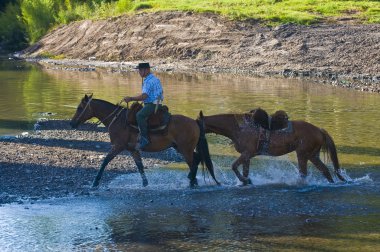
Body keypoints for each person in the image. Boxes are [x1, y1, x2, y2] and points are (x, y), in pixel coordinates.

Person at [123, 62, 164, 150]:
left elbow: (144, 96)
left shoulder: (149, 81)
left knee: (139, 115)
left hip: (152, 104)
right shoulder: (154, 78)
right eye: (139, 70)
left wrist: (131, 98)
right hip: (156, 103)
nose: (139, 72)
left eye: (141, 70)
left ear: (147, 70)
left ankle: (144, 138)